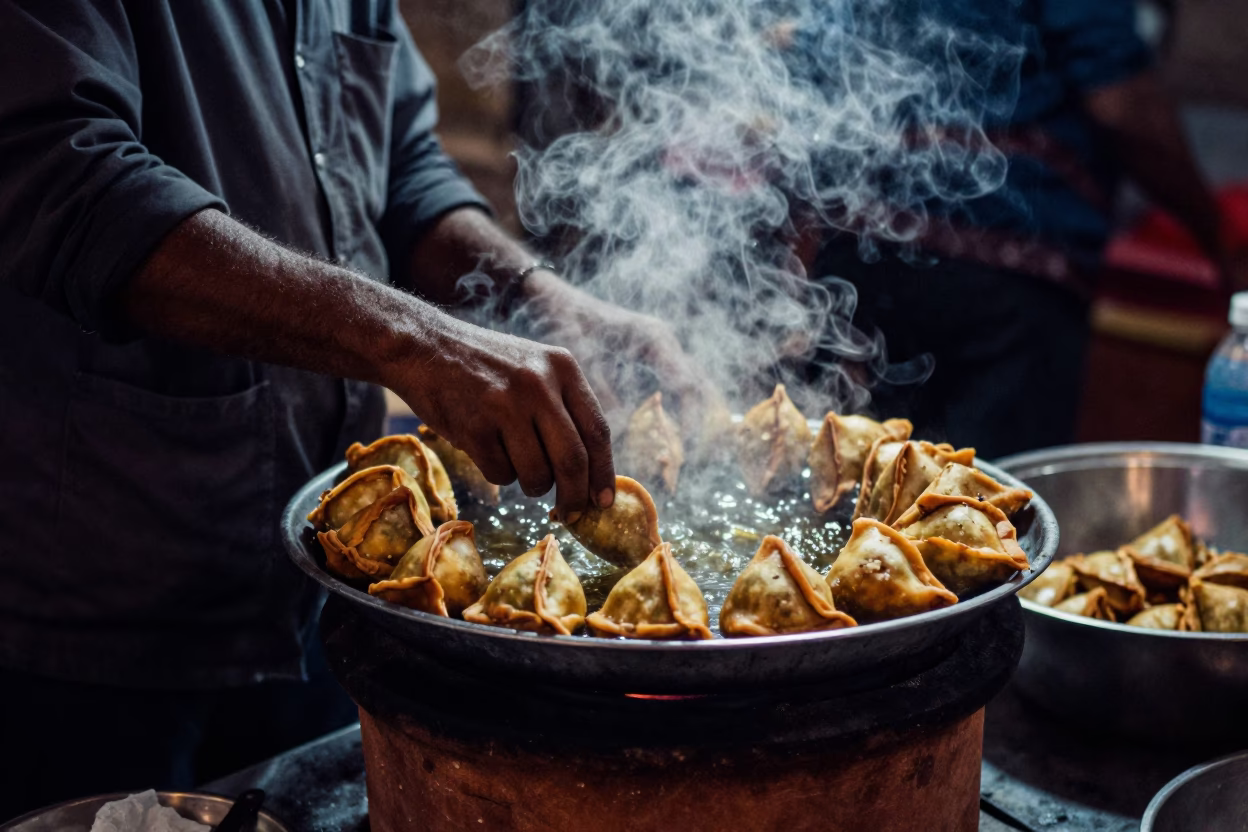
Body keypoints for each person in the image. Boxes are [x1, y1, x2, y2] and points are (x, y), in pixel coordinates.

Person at [0, 1, 701, 818]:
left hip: (329, 579)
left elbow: (400, 167)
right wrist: (418, 342)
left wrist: (533, 294)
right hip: (99, 611)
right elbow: (62, 175)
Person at [803, 0, 1248, 458]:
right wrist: (1218, 235)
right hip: (1004, 271)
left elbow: (806, 71)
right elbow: (1118, 100)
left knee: (862, 490)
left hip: (860, 251)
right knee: (987, 501)